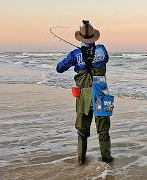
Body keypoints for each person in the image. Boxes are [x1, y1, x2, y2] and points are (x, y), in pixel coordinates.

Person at [56, 20, 114, 165]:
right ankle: (107, 159)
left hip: (83, 96)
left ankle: (81, 159)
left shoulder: (74, 54)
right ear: (94, 37)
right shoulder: (102, 50)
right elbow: (105, 59)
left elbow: (59, 68)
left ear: (80, 38)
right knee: (103, 129)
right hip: (102, 93)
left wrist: (78, 56)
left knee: (82, 129)